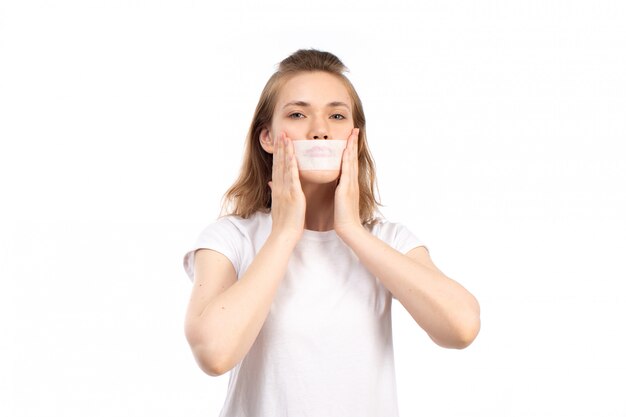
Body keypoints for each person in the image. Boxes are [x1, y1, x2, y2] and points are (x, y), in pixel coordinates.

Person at [182, 49, 480, 417]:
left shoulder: (388, 241)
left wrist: (351, 230)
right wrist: (284, 234)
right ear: (268, 138)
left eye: (336, 115)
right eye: (297, 114)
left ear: (355, 137)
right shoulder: (230, 239)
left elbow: (462, 328)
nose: (319, 129)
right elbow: (214, 354)